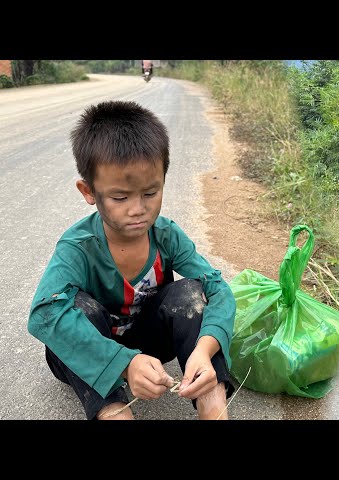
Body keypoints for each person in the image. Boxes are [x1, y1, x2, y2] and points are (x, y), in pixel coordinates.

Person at [28, 100, 237, 420]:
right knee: (76, 306)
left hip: (148, 343)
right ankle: (114, 410)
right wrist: (124, 364)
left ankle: (212, 406)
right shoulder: (78, 247)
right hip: (89, 348)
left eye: (150, 193)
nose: (138, 209)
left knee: (192, 293)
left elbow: (217, 288)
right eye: (120, 197)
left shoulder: (166, 235)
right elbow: (43, 313)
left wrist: (204, 349)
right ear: (89, 191)